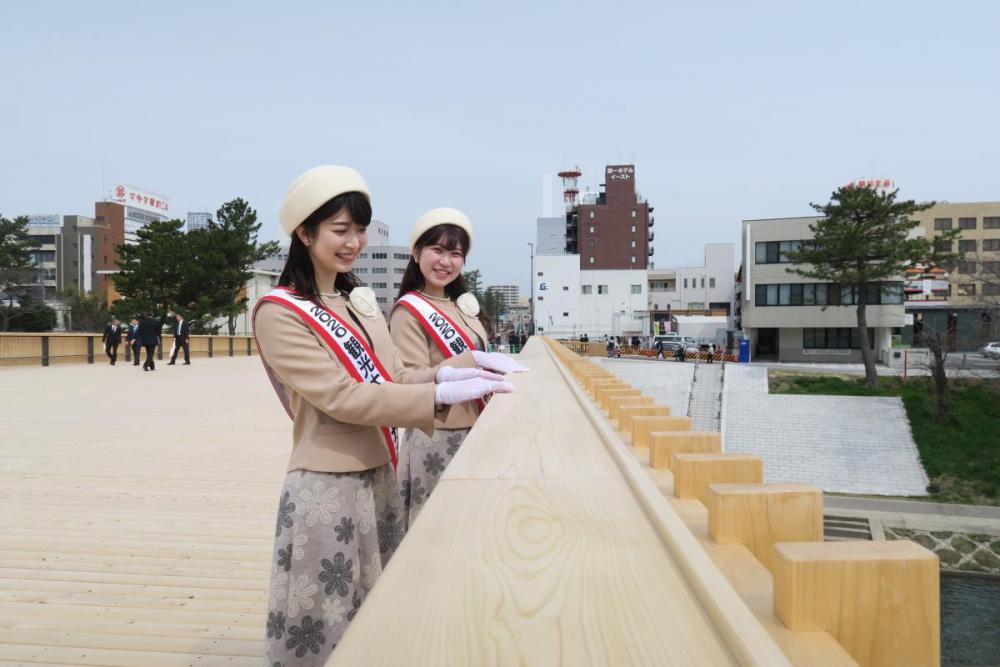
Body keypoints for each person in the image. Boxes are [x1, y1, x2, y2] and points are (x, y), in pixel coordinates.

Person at [253, 166, 514, 665]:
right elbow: (343, 395)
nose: (353, 242)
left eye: (359, 229)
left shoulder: (359, 304)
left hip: (380, 473)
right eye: (339, 229)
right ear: (304, 233)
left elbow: (395, 375)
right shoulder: (279, 310)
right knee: (325, 616)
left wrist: (460, 371)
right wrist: (438, 397)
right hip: (326, 483)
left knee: (378, 605)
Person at [390, 207, 527, 529]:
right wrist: (471, 360)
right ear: (416, 252)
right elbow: (406, 379)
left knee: (473, 524)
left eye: (455, 253)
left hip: (477, 429)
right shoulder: (408, 311)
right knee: (436, 528)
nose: (445, 261)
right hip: (436, 435)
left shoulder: (461, 306)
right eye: (437, 250)